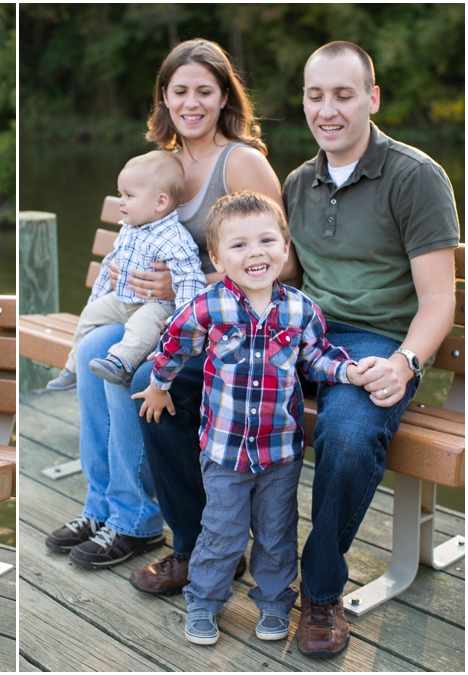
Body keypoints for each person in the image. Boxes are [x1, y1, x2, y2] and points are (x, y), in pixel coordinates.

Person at [132, 41, 460, 659]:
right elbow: (276, 277)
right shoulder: (299, 182)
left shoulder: (416, 177)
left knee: (348, 434)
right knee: (160, 386)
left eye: (343, 94)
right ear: (304, 102)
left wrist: (404, 363)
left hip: (373, 345)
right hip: (293, 329)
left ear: (372, 98)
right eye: (316, 95)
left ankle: (322, 592)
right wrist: (206, 303)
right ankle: (203, 547)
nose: (328, 109)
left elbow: (439, 299)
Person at [45, 38, 285, 572]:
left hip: (222, 324)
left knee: (136, 373)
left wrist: (185, 284)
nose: (191, 102)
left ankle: (136, 518)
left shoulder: (240, 163)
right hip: (156, 315)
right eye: (180, 91)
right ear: (165, 97)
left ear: (225, 97)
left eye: (205, 90)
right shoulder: (164, 164)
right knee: (95, 350)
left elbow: (284, 262)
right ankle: (105, 505)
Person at [135, 191, 361, 645]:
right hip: (224, 452)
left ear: (285, 246)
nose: (255, 253)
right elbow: (174, 344)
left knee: (277, 535)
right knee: (222, 530)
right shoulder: (208, 306)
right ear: (217, 258)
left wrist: (350, 370)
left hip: (279, 452)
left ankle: (276, 604)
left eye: (265, 240)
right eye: (239, 245)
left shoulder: (301, 310)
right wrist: (159, 385)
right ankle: (203, 601)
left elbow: (317, 358)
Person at [46, 151, 205, 391]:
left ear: (160, 202)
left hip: (157, 304)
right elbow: (110, 263)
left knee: (144, 323)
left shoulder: (174, 239)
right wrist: (97, 298)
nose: (120, 201)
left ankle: (122, 363)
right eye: (121, 194)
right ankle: (73, 368)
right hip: (123, 299)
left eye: (129, 195)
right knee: (90, 313)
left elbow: (190, 280)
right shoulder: (130, 228)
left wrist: (179, 321)